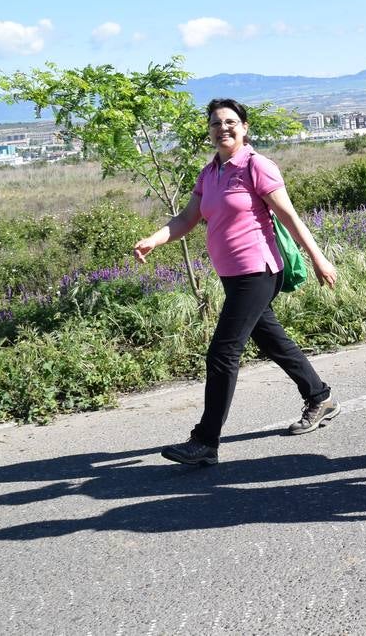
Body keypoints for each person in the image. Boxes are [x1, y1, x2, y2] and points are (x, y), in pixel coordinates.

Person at [134, 98, 340, 465]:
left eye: (231, 122)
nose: (223, 128)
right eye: (216, 123)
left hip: (258, 272)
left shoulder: (256, 166)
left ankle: (205, 442)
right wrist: (154, 238)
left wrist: (318, 257)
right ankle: (320, 397)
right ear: (209, 131)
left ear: (244, 128)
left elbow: (288, 215)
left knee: (222, 353)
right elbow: (186, 219)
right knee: (272, 340)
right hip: (231, 276)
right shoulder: (209, 173)